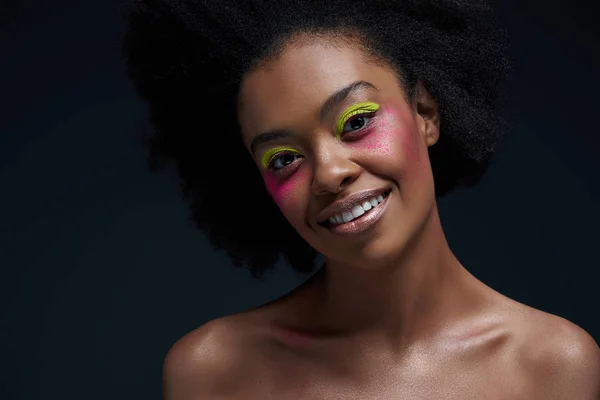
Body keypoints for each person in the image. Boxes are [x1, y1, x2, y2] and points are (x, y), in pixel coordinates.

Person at [121, 0, 600, 398]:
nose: (329, 173)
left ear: (426, 111)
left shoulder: (553, 367)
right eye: (284, 159)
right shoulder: (212, 372)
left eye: (356, 122)